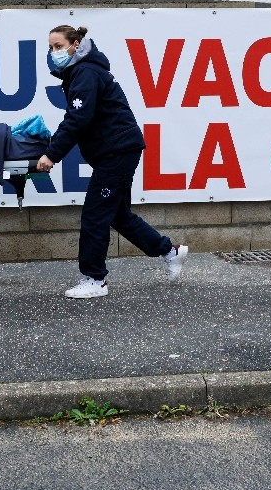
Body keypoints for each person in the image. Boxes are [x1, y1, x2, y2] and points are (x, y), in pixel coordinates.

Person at [36, 25, 189, 299]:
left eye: (59, 46)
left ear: (75, 44)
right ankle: (169, 251)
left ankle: (95, 279)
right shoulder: (81, 71)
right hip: (118, 149)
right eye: (51, 47)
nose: (54, 52)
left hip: (117, 152)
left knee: (95, 214)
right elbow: (79, 119)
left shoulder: (84, 72)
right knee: (117, 214)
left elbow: (78, 120)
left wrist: (51, 154)